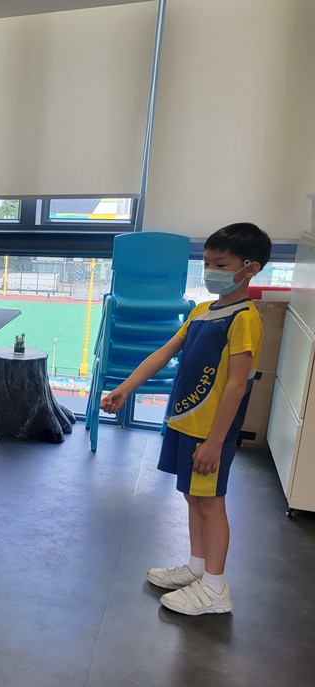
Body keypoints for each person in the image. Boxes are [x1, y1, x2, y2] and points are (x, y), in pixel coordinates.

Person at [101, 222, 271, 616]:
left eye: (220, 264)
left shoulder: (244, 319)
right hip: (184, 423)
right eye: (207, 262)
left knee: (211, 503)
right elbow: (163, 354)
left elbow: (236, 386)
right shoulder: (201, 311)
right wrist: (126, 388)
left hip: (210, 432)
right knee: (193, 496)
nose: (210, 270)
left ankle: (215, 588)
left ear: (250, 268)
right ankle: (197, 567)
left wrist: (215, 441)